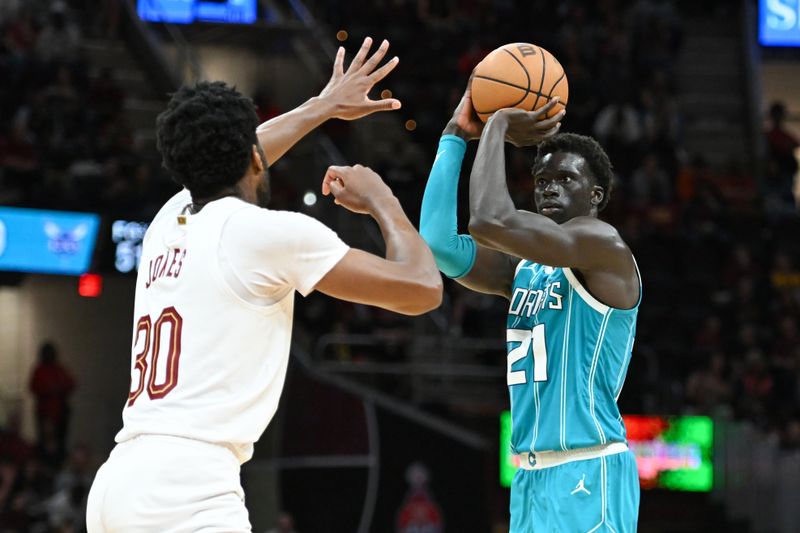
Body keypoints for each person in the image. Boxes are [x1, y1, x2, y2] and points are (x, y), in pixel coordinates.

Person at [86, 37, 442, 532]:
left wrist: (323, 107)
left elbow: (240, 150)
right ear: (254, 158)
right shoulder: (265, 234)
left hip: (119, 483)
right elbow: (422, 287)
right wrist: (384, 201)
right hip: (187, 489)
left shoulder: (170, 219)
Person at [420, 84, 641, 532]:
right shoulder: (523, 269)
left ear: (595, 196)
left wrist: (498, 124)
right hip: (530, 475)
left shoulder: (605, 246)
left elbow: (488, 221)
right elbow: (439, 244)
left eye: (566, 180)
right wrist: (454, 138)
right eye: (541, 181)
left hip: (589, 468)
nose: (549, 190)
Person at [29, 341, 75, 465]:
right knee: (44, 442)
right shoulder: (39, 370)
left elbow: (71, 384)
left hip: (60, 413)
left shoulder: (59, 370)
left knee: (59, 442)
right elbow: (33, 387)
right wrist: (49, 390)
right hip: (45, 413)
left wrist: (58, 389)